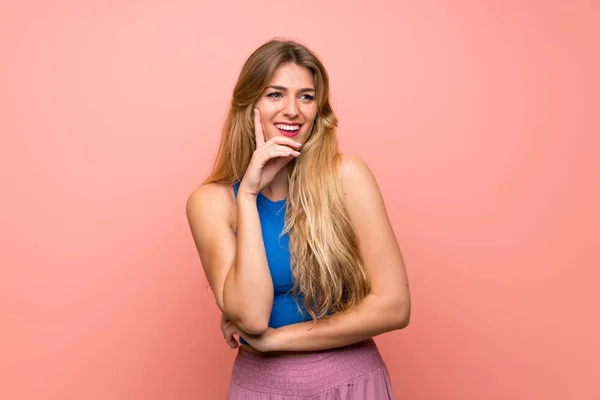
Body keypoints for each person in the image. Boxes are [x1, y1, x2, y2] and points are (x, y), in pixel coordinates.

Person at [186, 38, 411, 399]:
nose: (293, 110)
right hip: (261, 389)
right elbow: (252, 317)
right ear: (249, 106)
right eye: (275, 94)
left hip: (352, 383)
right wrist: (248, 195)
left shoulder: (347, 177)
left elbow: (394, 307)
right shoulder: (211, 202)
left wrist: (276, 341)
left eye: (306, 97)